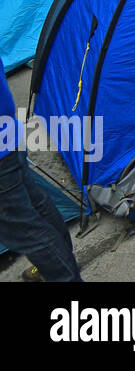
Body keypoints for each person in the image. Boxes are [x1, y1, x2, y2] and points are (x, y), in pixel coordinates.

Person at [0, 74, 83, 282]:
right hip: (7, 135)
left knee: (24, 229)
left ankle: (63, 275)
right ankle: (62, 260)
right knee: (35, 204)